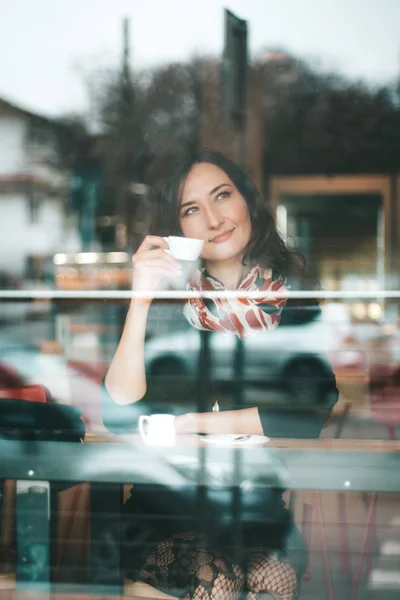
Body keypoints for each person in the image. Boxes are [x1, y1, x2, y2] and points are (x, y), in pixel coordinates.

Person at [101, 150, 338, 600]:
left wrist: (189, 425)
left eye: (222, 196)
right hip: (163, 516)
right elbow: (118, 414)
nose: (213, 219)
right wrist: (140, 301)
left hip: (255, 515)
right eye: (192, 209)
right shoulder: (169, 309)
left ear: (247, 201)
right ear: (178, 230)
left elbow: (309, 411)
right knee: (218, 580)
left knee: (274, 581)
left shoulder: (291, 300)